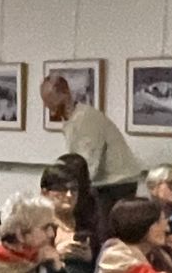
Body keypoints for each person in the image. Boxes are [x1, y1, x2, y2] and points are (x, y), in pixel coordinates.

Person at [41, 73, 145, 203]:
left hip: (116, 184)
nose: (47, 105)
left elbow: (88, 164)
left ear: (65, 93)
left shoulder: (86, 118)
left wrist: (71, 189)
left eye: (50, 99)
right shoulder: (72, 119)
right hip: (107, 182)